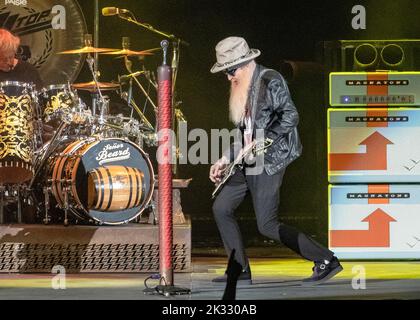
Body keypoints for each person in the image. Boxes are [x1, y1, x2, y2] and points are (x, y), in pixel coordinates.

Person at [209, 36, 343, 285]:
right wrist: (225, 158)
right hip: (249, 159)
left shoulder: (270, 79)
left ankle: (326, 259)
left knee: (267, 225)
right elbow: (245, 133)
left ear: (246, 63)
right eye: (225, 72)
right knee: (221, 207)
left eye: (230, 70)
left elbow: (290, 116)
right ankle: (239, 268)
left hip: (271, 158)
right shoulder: (242, 89)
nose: (228, 77)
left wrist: (264, 140)